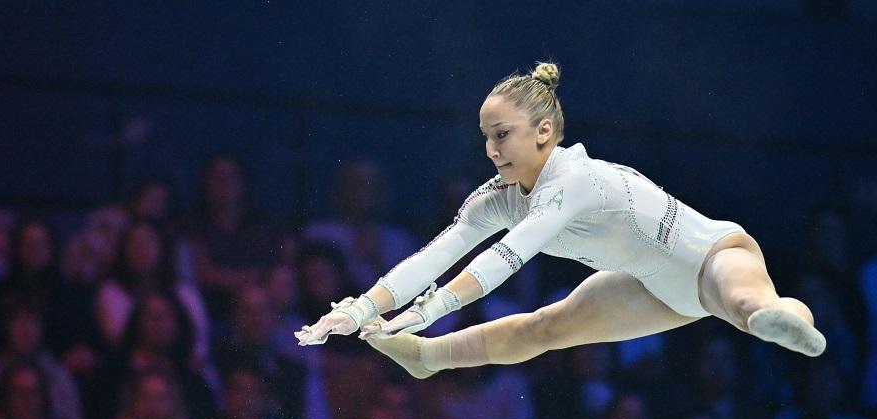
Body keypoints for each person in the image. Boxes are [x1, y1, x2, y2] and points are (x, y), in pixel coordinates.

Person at [294, 62, 826, 379]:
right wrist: (361, 308)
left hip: (715, 253)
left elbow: (508, 257)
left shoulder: (573, 181)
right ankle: (428, 359)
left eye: (502, 134)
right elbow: (437, 253)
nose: (490, 148)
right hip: (650, 286)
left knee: (744, 303)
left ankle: (785, 321)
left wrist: (429, 307)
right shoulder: (499, 197)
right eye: (486, 136)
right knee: (548, 327)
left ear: (544, 131)